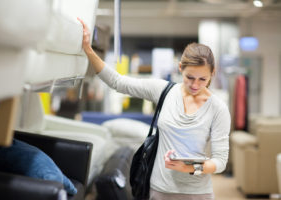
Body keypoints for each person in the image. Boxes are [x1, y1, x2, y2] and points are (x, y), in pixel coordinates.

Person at [77, 18, 230, 200]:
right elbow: (118, 82)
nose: (195, 85)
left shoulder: (218, 108)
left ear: (212, 74)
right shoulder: (164, 91)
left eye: (202, 79)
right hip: (159, 190)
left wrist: (191, 168)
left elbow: (220, 162)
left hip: (197, 194)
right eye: (190, 77)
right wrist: (88, 49)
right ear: (180, 68)